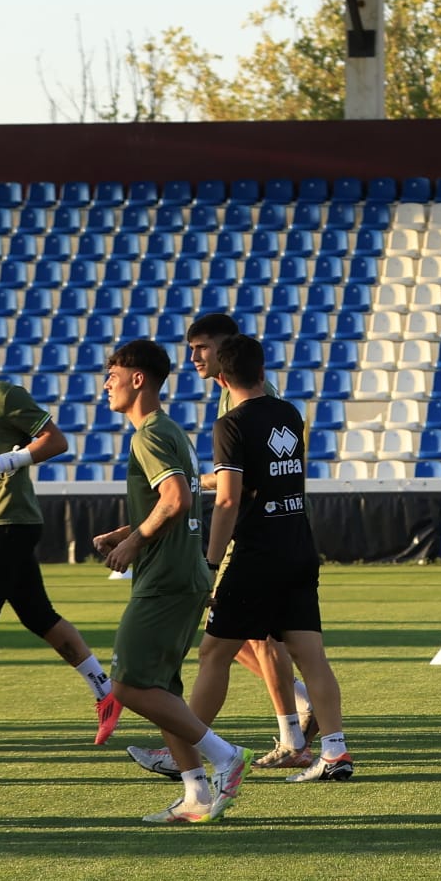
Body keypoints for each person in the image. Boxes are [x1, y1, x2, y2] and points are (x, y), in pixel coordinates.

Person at [0, 316, 120, 750]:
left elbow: (56, 441)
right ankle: (106, 692)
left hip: (10, 518)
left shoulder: (4, 395)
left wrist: (8, 461)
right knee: (39, 616)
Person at [178, 334, 355, 783]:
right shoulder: (289, 414)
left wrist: (211, 563)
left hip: (257, 553)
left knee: (214, 652)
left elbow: (227, 500)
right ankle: (335, 752)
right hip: (298, 545)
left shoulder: (230, 426)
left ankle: (182, 748)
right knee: (311, 655)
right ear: (262, 371)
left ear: (221, 376)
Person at [92, 338, 251, 823]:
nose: (105, 386)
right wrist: (126, 530)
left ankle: (224, 757)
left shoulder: (149, 434)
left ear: (138, 379)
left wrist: (134, 542)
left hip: (164, 577)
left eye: (112, 376)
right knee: (163, 690)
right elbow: (178, 502)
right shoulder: (169, 430)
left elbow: (177, 498)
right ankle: (196, 795)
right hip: (185, 572)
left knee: (127, 686)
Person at [188, 312, 314, 768]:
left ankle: (185, 748)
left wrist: (211, 551)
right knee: (251, 640)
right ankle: (297, 723)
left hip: (258, 537)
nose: (195, 357)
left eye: (202, 347)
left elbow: (243, 487)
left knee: (232, 641)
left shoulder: (245, 408)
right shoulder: (250, 404)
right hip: (275, 534)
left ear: (226, 350)